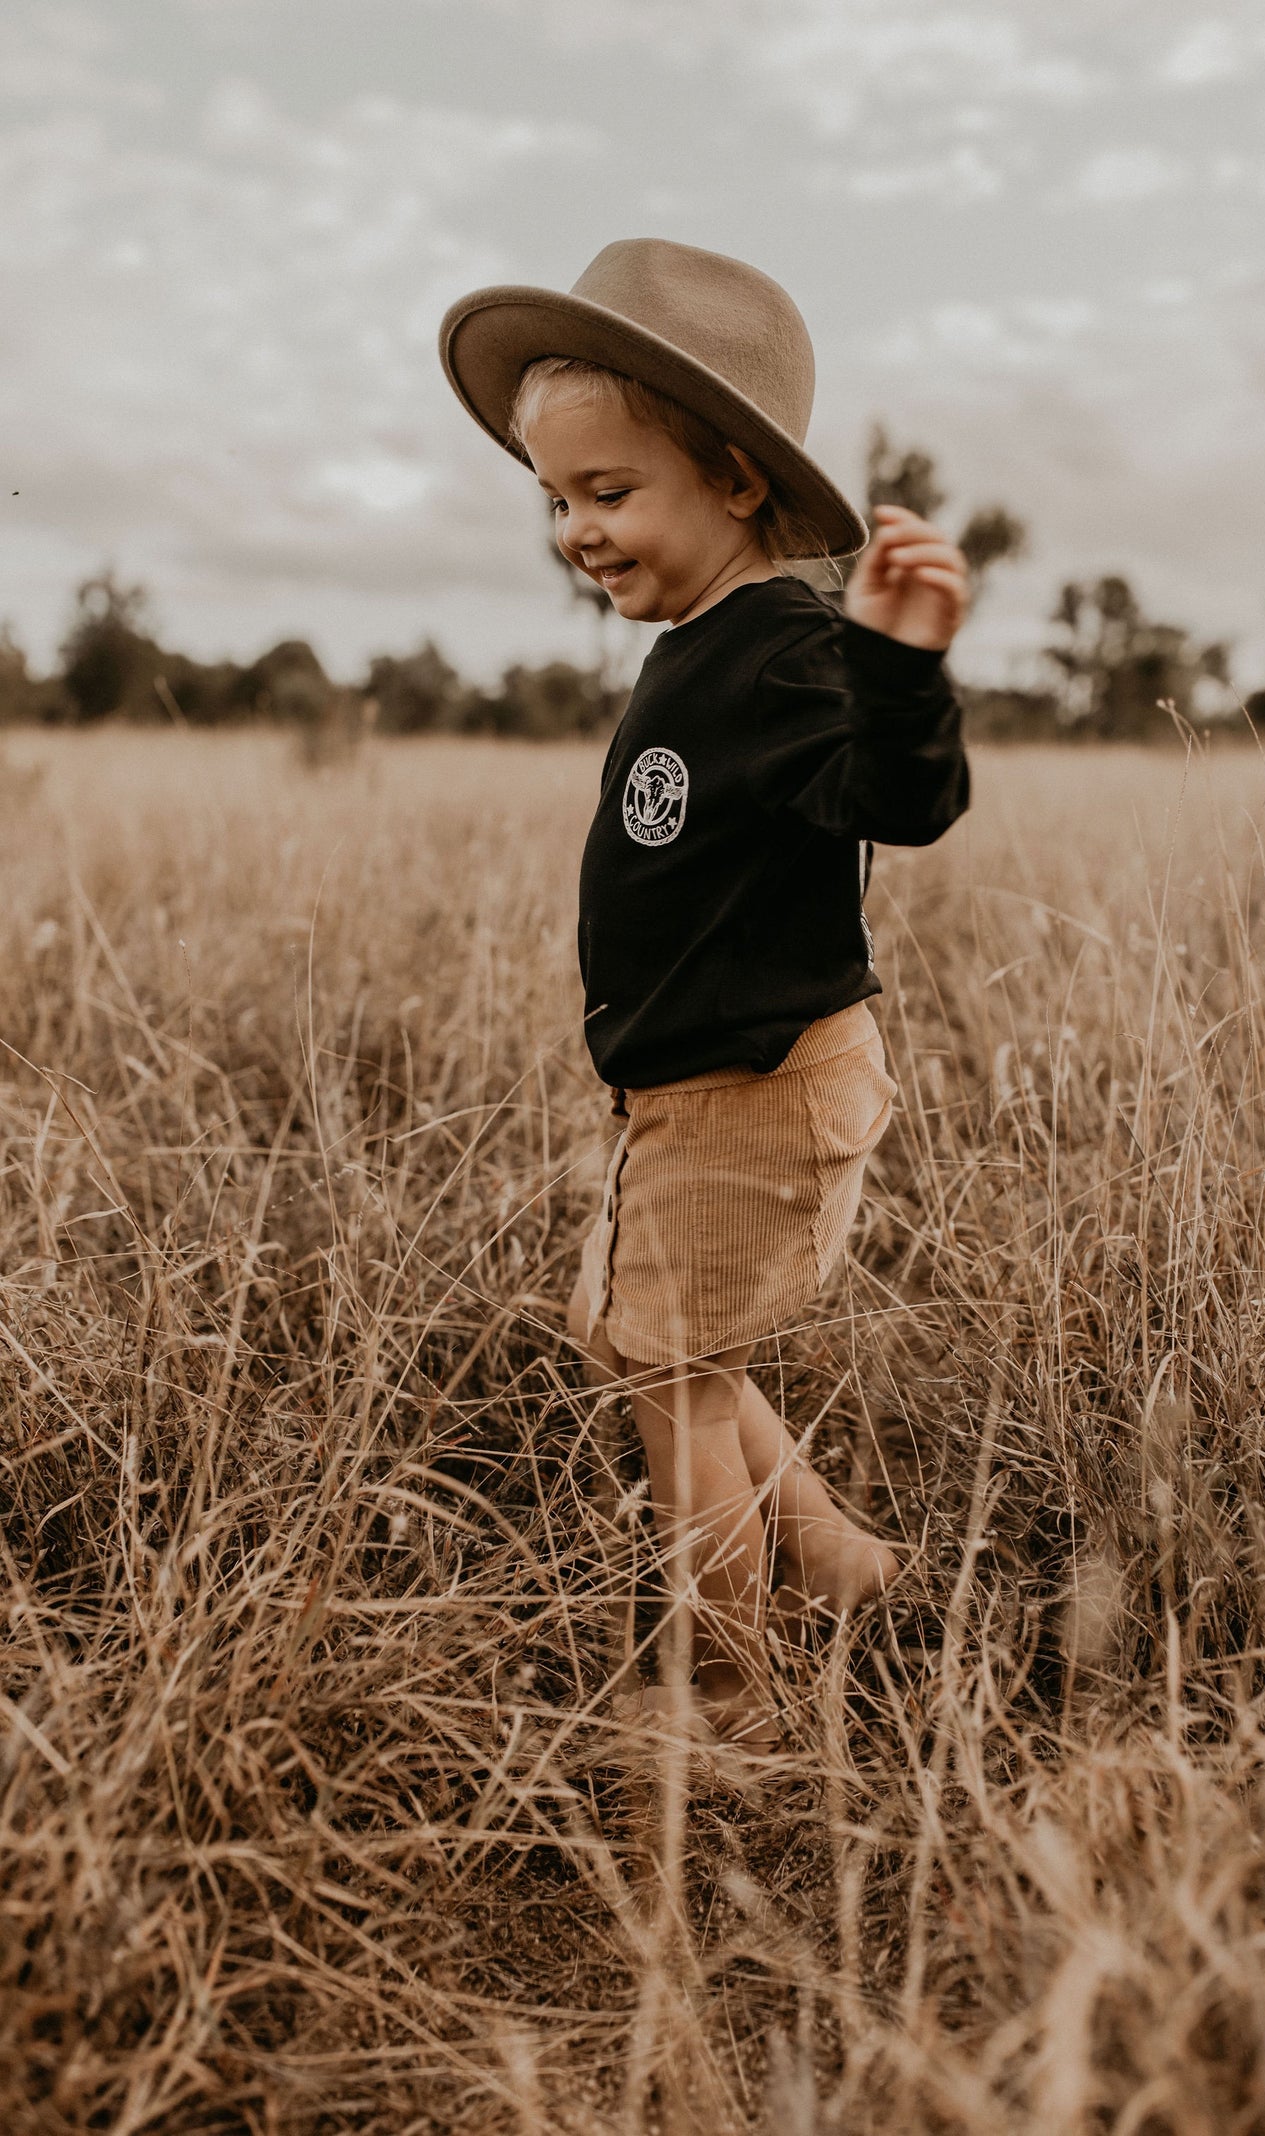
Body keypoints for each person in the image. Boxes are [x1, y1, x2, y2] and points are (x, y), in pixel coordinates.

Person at [439, 239, 971, 1749]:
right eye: (556, 498)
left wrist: (903, 669)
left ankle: (726, 1696)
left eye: (609, 493)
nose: (573, 531)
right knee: (644, 1339)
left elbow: (900, 801)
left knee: (669, 1382)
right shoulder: (699, 645)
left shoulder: (795, 647)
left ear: (736, 482)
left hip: (758, 1083)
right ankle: (835, 1556)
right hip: (689, 1085)